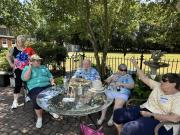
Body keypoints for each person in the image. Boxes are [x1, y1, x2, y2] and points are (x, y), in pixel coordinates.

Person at [113, 57, 180, 135]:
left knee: (129, 128)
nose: (161, 81)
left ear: (173, 84)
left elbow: (175, 118)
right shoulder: (158, 86)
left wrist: (151, 115)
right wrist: (135, 64)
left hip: (161, 121)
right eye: (162, 79)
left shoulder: (178, 97)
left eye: (165, 81)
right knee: (117, 114)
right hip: (144, 109)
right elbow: (143, 77)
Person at [21, 54, 59, 128]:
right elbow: (25, 79)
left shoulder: (44, 67)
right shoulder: (27, 68)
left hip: (47, 85)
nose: (39, 61)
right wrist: (30, 67)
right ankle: (39, 118)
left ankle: (51, 109)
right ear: (31, 62)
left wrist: (52, 82)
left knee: (55, 94)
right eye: (37, 60)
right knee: (37, 98)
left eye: (39, 60)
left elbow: (50, 76)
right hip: (35, 87)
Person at [6, 35, 35, 109]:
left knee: (27, 82)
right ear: (17, 41)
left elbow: (35, 57)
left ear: (24, 41)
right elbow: (8, 56)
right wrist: (11, 64)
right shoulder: (13, 49)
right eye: (19, 41)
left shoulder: (29, 49)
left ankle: (27, 96)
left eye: (22, 41)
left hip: (27, 69)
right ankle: (15, 101)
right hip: (17, 69)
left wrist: (31, 59)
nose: (21, 43)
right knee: (18, 84)